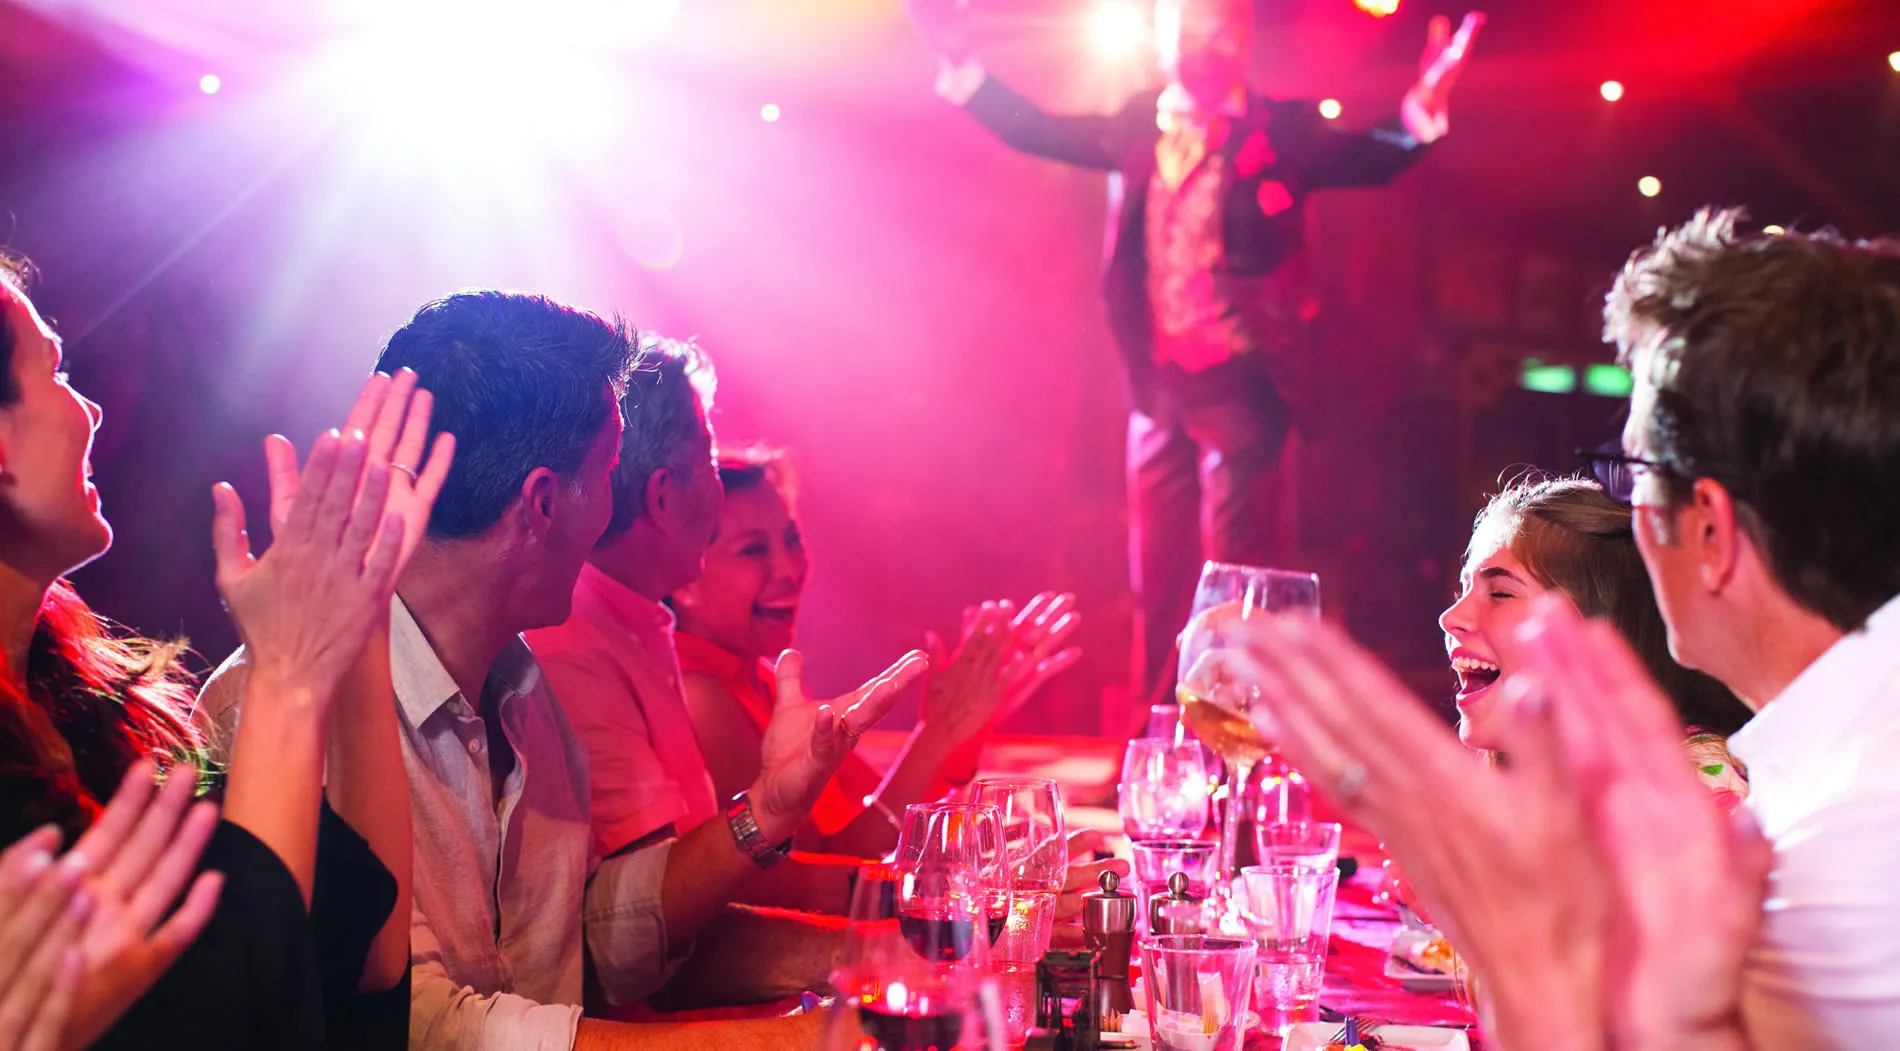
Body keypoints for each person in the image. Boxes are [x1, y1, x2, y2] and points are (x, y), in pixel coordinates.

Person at [1200, 209, 1900, 1050]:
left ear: (1710, 530)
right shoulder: (1817, 769)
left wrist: (1526, 958)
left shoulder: (1839, 846)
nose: (1627, 521)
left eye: (1634, 474)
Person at [200, 292, 924, 1049]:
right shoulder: (280, 702)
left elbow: (585, 945)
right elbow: (422, 1027)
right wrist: (804, 1039)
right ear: (543, 502)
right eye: (610, 469)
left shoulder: (521, 687)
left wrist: (775, 831)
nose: (618, 510)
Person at [909, 0, 1482, 707]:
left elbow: (1370, 157)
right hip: (1157, 391)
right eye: (1193, 26)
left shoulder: (1280, 129)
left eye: (1224, 28)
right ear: (1162, 35)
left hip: (1241, 390)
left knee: (1232, 586)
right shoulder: (1136, 122)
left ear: (1243, 39)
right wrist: (966, 68)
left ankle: (1220, 745)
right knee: (1158, 581)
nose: (1207, 42)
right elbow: (1039, 131)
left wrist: (1424, 100)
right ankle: (1156, 735)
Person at [1, 252, 435, 1049]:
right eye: (55, 371)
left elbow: (366, 955)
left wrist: (357, 619)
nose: (90, 409)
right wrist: (287, 672)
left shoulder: (98, 723)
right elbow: (232, 1014)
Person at [670, 448, 1083, 858]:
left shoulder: (757, 679)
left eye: (792, 540)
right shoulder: (699, 695)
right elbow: (816, 877)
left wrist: (958, 735)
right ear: (685, 574)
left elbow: (872, 825)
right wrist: (937, 737)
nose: (789, 569)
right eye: (753, 550)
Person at [1441, 475, 1753, 804]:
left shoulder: (1690, 786)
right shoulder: (1526, 789)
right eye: (1463, 590)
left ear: (1606, 626)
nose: (1450, 618)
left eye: (1501, 593)